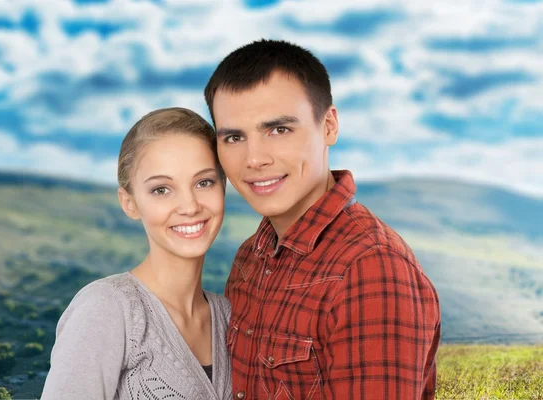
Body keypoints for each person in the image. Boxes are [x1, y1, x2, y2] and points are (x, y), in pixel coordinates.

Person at [204, 39, 441, 400]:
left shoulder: (371, 266)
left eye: (279, 130)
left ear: (328, 126)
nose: (254, 159)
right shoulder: (251, 258)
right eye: (234, 137)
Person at [41, 108, 232, 400]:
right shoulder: (106, 309)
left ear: (223, 187)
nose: (190, 205)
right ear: (129, 203)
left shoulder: (231, 317)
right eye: (161, 189)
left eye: (204, 182)